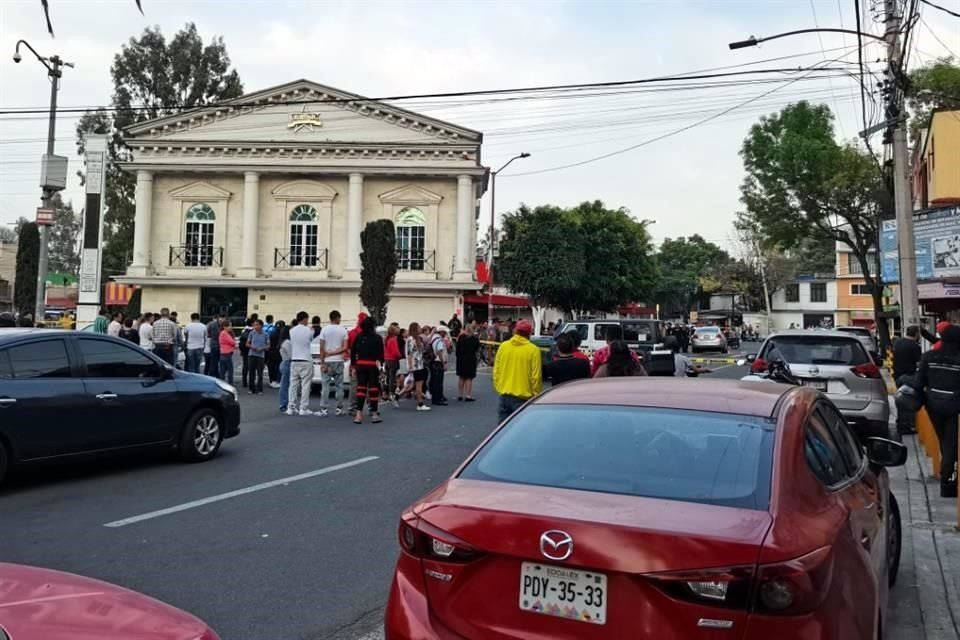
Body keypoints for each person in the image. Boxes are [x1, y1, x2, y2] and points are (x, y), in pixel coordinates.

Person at [913, 323, 960, 498]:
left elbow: (918, 383)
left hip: (933, 405)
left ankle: (947, 473)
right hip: (955, 406)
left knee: (944, 441)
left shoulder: (929, 357)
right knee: (951, 445)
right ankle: (948, 484)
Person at [492, 319, 543, 423]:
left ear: (515, 331)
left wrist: (499, 387)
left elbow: (496, 370)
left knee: (503, 430)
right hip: (523, 397)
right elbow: (535, 377)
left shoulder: (503, 346)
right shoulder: (533, 350)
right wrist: (535, 394)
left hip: (504, 395)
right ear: (529, 333)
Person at [351, 316, 385, 424]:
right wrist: (382, 369)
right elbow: (381, 355)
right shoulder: (377, 338)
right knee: (373, 390)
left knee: (361, 390)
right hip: (372, 365)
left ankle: (358, 415)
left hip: (361, 365)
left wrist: (353, 366)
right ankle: (374, 414)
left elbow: (353, 352)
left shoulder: (359, 337)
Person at [318, 310, 349, 417]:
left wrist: (322, 362)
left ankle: (323, 409)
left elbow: (321, 348)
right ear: (337, 318)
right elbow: (345, 347)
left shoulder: (324, 330)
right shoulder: (343, 330)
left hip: (327, 361)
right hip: (339, 360)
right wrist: (334, 353)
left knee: (325, 385)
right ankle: (339, 409)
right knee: (339, 386)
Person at [893, 325, 923, 435]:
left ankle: (900, 423)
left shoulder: (898, 343)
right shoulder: (914, 346)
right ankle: (906, 426)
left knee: (901, 401)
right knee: (909, 401)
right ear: (916, 334)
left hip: (898, 376)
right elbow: (919, 364)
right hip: (909, 377)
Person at [288, 311, 315, 416]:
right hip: (306, 359)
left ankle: (291, 407)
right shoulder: (309, 330)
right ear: (304, 319)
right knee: (305, 385)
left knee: (293, 384)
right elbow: (310, 341)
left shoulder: (292, 330)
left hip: (294, 359)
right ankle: (303, 408)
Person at [406, 322, 430, 411]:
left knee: (417, 384)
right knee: (418, 385)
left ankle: (419, 401)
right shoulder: (411, 339)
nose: (421, 328)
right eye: (419, 327)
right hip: (415, 365)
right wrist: (410, 366)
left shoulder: (417, 339)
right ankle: (420, 403)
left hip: (420, 364)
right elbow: (410, 353)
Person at [455, 324, 481, 400]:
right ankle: (468, 395)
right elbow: (477, 349)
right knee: (469, 378)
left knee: (461, 377)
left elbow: (457, 349)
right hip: (471, 359)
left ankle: (460, 394)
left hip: (461, 359)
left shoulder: (461, 338)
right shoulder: (475, 339)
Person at [245, 319, 268, 393]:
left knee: (260, 373)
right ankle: (251, 389)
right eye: (254, 325)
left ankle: (260, 389)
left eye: (257, 325)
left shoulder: (265, 334)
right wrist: (253, 347)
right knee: (251, 372)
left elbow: (268, 345)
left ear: (261, 325)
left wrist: (262, 348)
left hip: (261, 355)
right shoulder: (252, 333)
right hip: (252, 354)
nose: (255, 326)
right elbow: (247, 343)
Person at [429, 325, 450, 405]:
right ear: (441, 332)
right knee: (438, 381)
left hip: (433, 362)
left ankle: (436, 397)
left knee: (435, 381)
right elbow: (439, 352)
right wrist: (443, 363)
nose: (445, 334)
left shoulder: (433, 338)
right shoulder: (439, 340)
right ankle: (438, 398)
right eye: (444, 332)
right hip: (438, 362)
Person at [384, 324, 402, 407]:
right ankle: (392, 392)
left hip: (387, 359)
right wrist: (399, 356)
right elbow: (395, 351)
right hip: (393, 360)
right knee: (393, 377)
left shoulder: (387, 339)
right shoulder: (393, 339)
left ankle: (387, 392)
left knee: (388, 377)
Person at [217, 319, 237, 383]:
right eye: (229, 326)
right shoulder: (224, 333)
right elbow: (232, 342)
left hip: (223, 353)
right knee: (230, 370)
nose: (231, 327)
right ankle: (230, 383)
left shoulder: (223, 333)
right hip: (227, 354)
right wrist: (234, 344)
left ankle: (221, 383)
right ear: (225, 327)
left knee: (223, 370)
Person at [278, 326, 292, 413]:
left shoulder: (283, 342)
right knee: (286, 385)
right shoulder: (288, 343)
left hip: (284, 362)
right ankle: (284, 404)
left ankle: (284, 404)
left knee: (285, 384)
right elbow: (291, 355)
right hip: (287, 363)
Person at [266, 315, 283, 388]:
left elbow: (269, 343)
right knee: (278, 367)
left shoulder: (272, 333)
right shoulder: (283, 335)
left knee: (271, 367)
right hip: (279, 353)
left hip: (271, 352)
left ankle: (272, 381)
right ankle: (278, 380)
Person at [239, 318, 254, 389]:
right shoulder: (253, 331)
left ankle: (244, 382)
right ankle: (251, 382)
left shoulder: (244, 330)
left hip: (244, 351)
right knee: (252, 367)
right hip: (251, 350)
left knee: (245, 367)